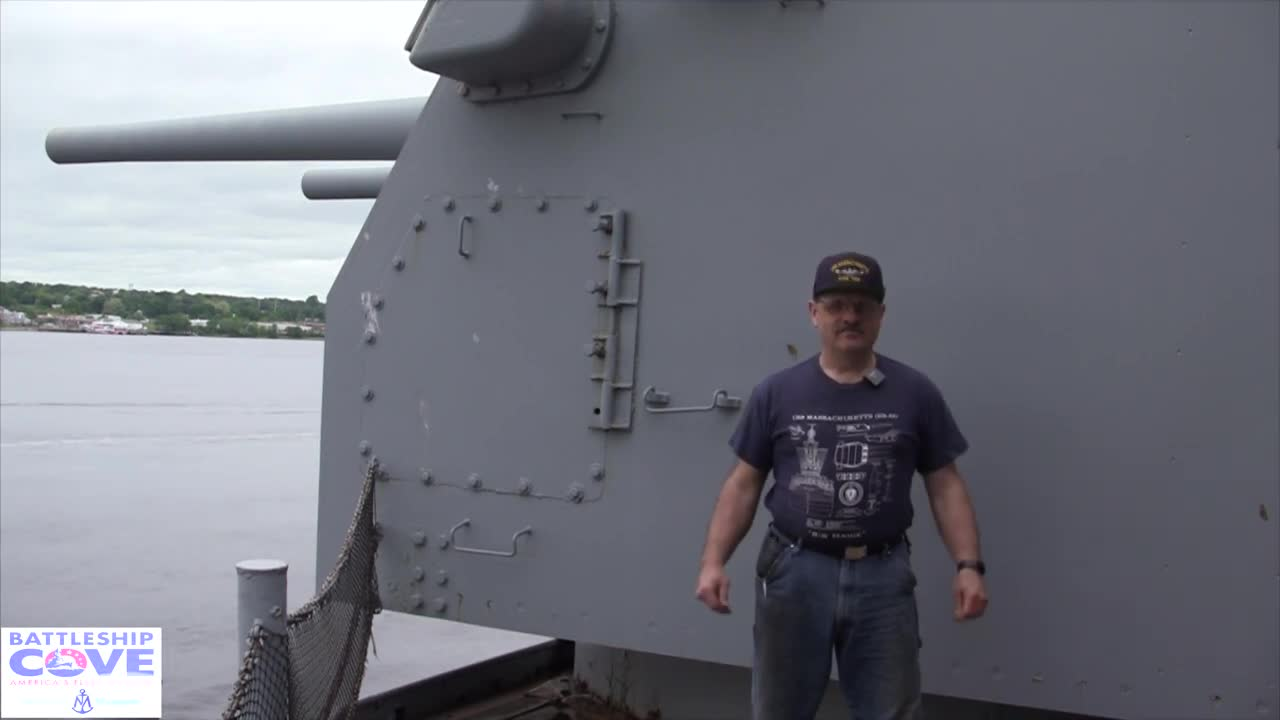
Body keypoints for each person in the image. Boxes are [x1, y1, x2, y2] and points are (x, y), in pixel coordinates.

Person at [694, 251, 988, 720]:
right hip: (794, 572)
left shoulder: (915, 392)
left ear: (881, 315)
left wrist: (968, 565)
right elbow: (743, 485)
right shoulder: (777, 392)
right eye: (836, 306)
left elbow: (945, 484)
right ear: (814, 313)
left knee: (890, 711)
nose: (850, 316)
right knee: (780, 710)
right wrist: (713, 562)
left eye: (862, 306)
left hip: (882, 577)